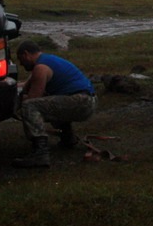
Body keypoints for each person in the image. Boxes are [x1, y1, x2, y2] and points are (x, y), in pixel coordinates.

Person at [12, 40, 97, 168]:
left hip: (81, 102)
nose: (21, 64)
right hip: (88, 100)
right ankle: (67, 138)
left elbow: (33, 98)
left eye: (21, 59)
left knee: (30, 106)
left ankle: (40, 154)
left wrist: (17, 103)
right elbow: (28, 85)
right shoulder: (47, 60)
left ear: (26, 54)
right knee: (50, 103)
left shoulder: (40, 68)